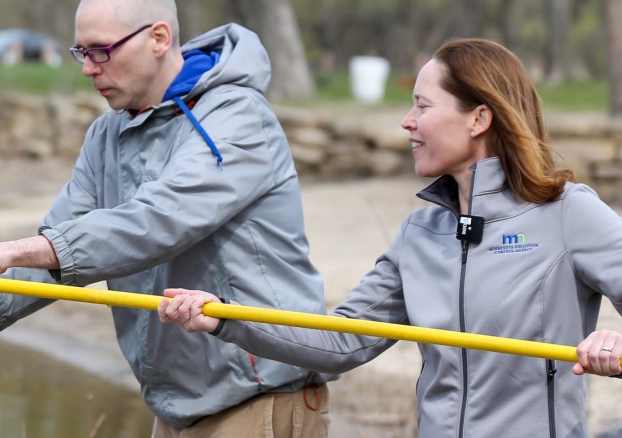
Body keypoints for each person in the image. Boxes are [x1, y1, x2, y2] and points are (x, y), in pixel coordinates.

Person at [158, 37, 622, 438]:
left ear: (479, 119)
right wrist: (223, 318)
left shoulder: (566, 212)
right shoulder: (419, 234)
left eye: (422, 105)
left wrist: (616, 348)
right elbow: (342, 342)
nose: (406, 121)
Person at [0, 0, 333, 436]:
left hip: (260, 397)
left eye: (101, 50)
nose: (88, 68)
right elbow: (62, 251)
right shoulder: (107, 134)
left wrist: (4, 251)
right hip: (176, 408)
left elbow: (157, 221)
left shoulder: (236, 118)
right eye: (81, 52)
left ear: (158, 38)